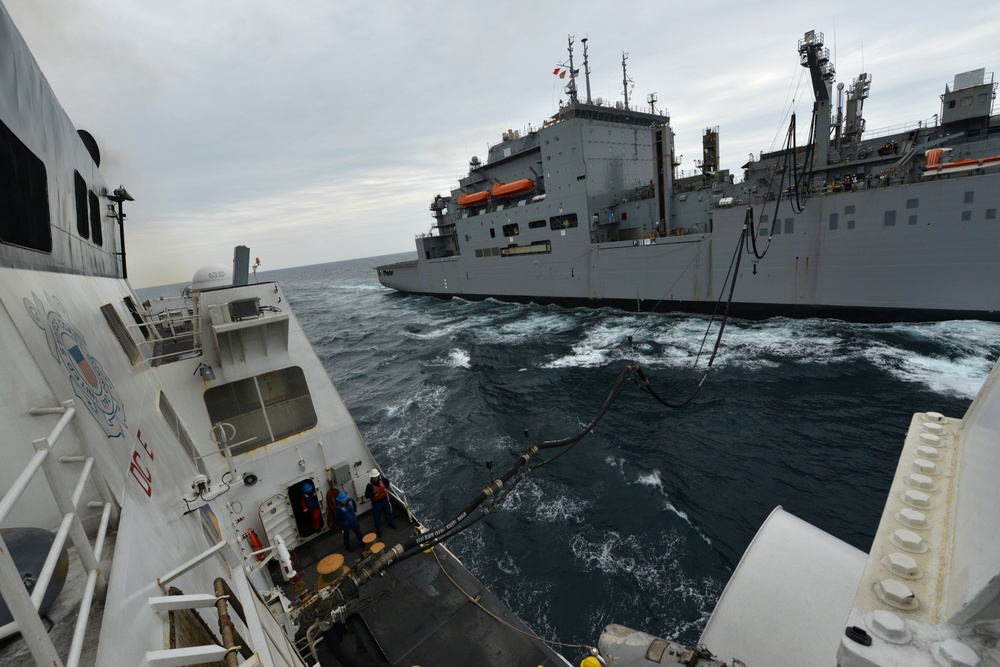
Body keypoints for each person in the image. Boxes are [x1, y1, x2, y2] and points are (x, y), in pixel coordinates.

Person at [364, 468, 397, 537]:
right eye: (374, 477)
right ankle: (378, 529)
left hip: (384, 500)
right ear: (372, 477)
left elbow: (387, 482)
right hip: (376, 504)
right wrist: (372, 494)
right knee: (377, 517)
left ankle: (391, 522)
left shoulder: (382, 479)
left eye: (376, 477)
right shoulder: (369, 486)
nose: (375, 478)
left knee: (388, 512)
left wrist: (385, 487)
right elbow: (366, 495)